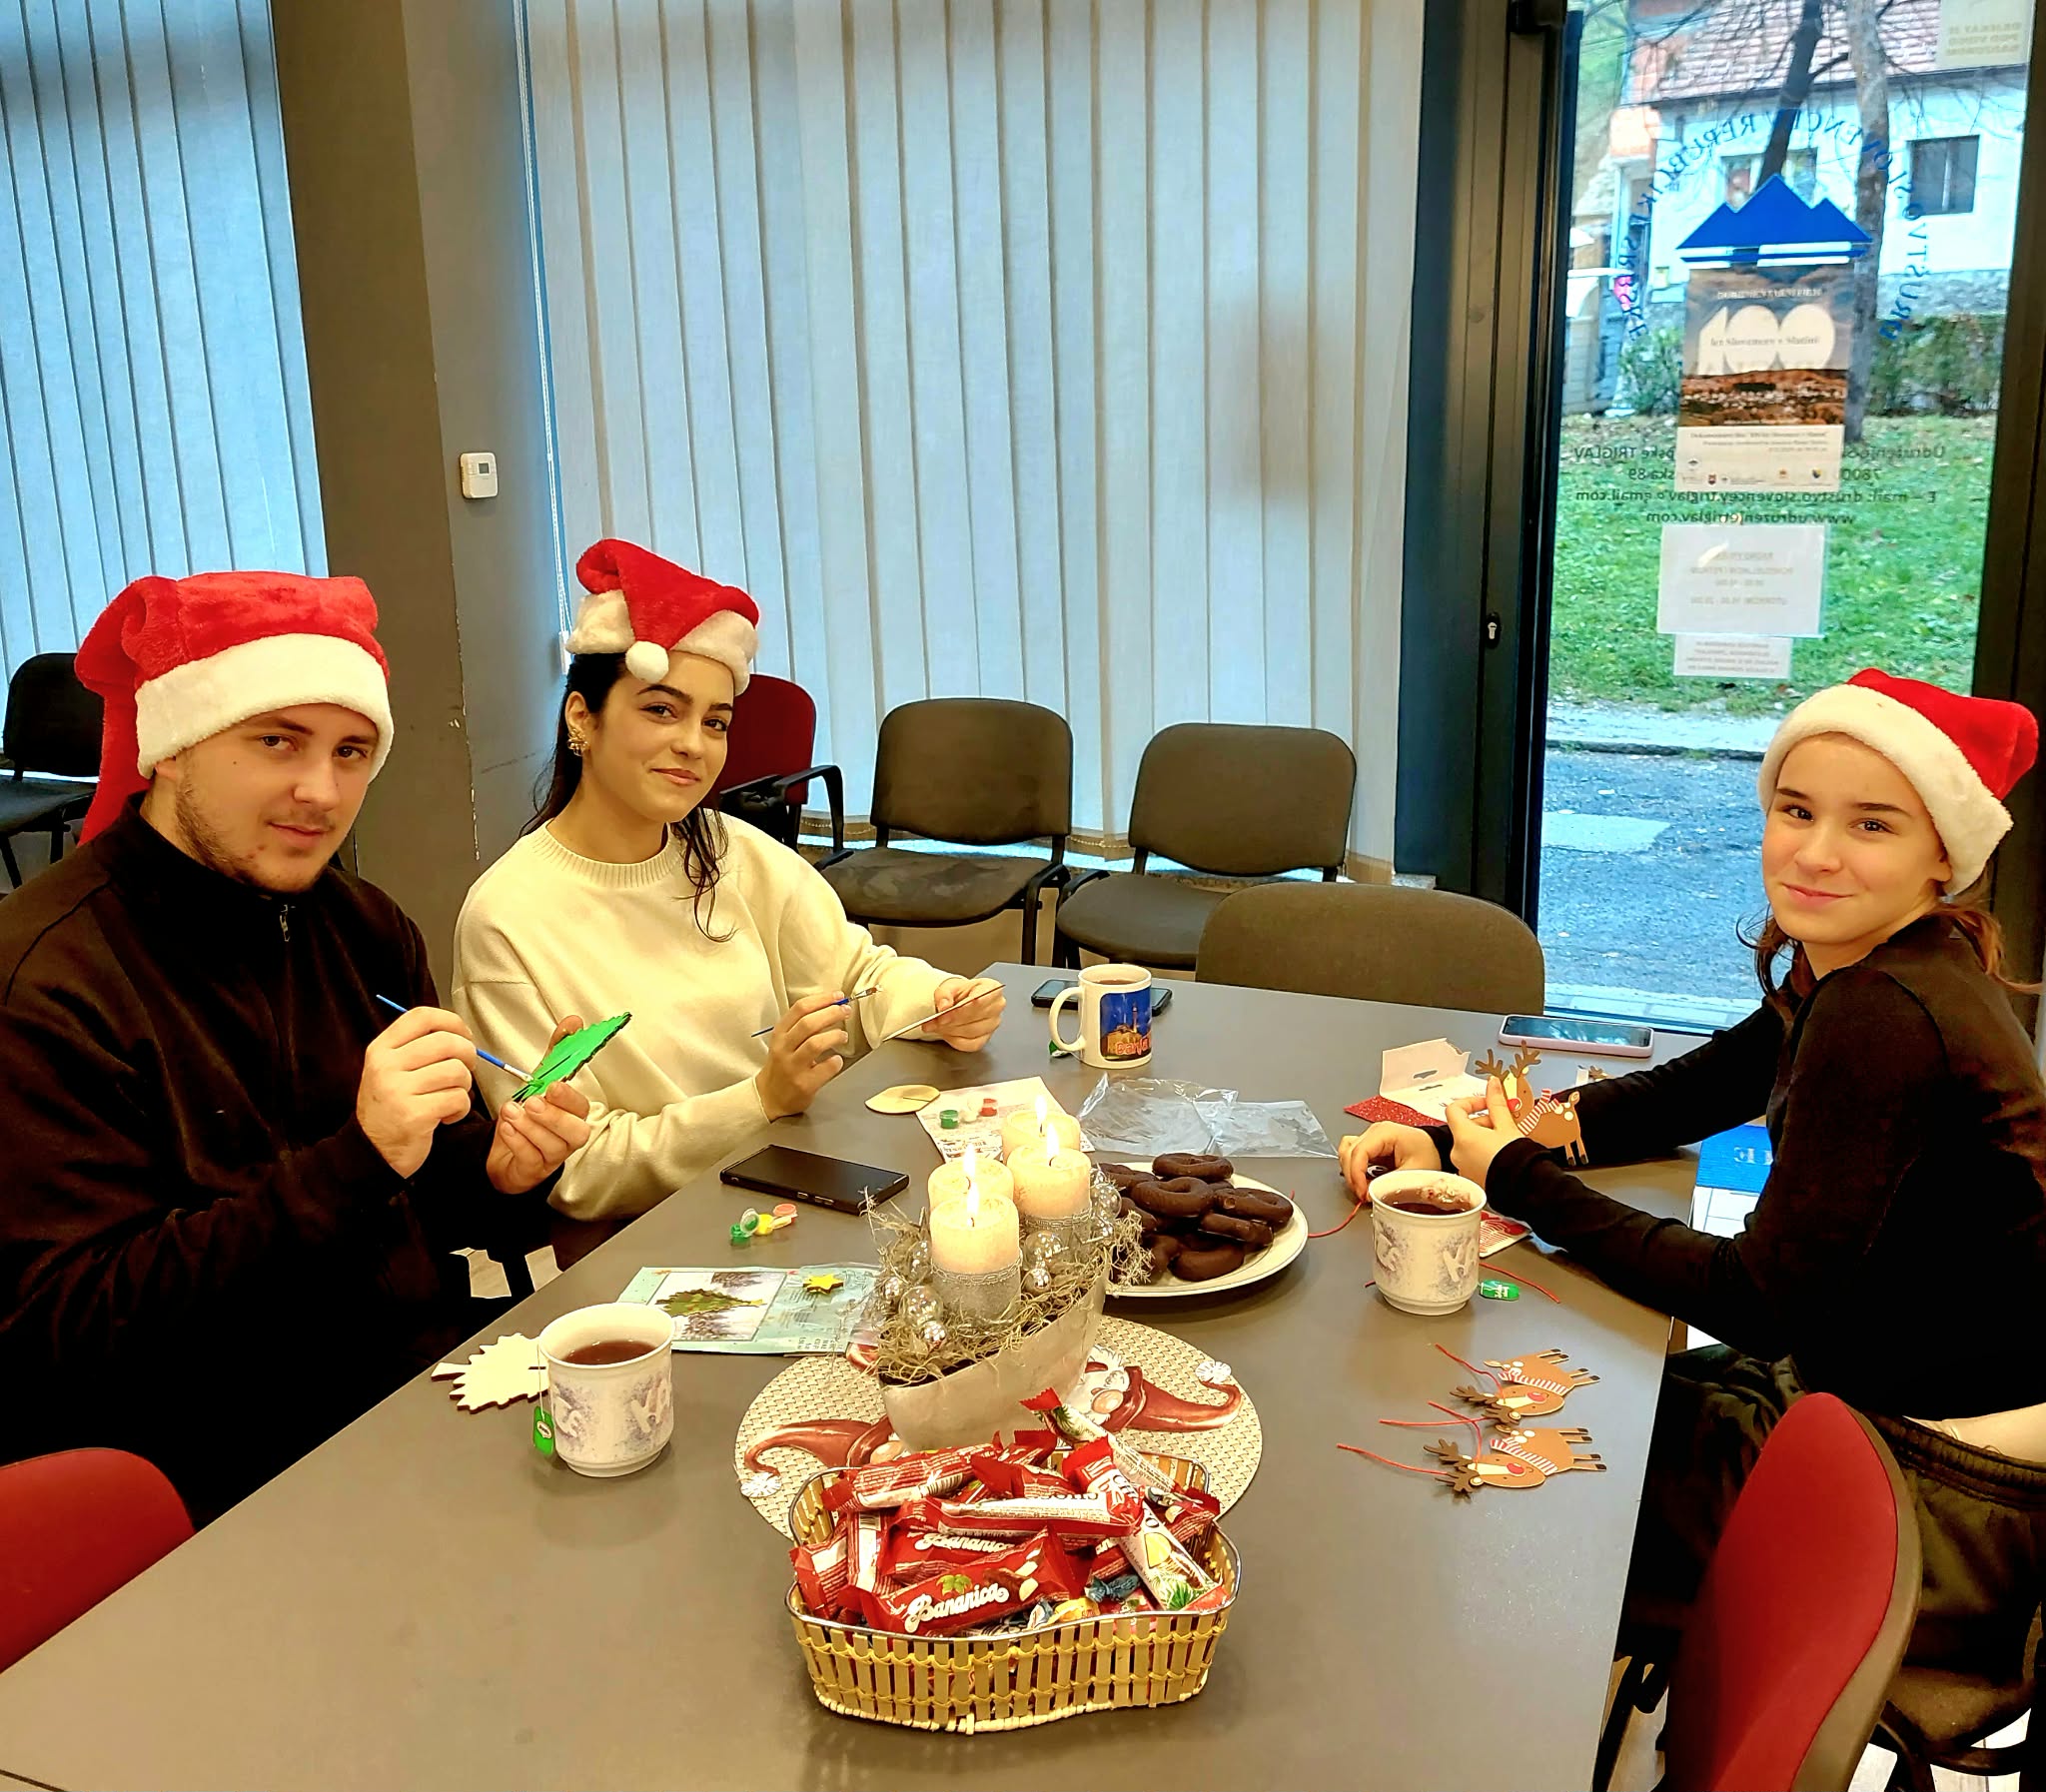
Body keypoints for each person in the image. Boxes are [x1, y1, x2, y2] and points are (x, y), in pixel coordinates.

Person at [1346, 669, 2046, 1671]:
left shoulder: (1884, 1016)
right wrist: (1467, 1145)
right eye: (1795, 810)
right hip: (1866, 1396)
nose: (1814, 852)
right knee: (1552, 1403)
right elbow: (1687, 1093)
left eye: (1870, 825)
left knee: (1488, 1493)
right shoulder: (1878, 961)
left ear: (1944, 854)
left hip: (1932, 1484)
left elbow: (1752, 1300)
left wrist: (1517, 1180)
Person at [0, 571, 590, 1523]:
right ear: (175, 744)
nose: (321, 792)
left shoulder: (364, 927)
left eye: (351, 751)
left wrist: (499, 1172)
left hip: (416, 1410)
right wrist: (358, 1160)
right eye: (276, 741)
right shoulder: (46, 981)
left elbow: (423, 1206)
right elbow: (67, 1329)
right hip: (210, 1493)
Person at [452, 539, 1004, 1222]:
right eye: (661, 710)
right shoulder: (507, 915)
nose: (694, 744)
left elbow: (856, 979)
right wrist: (761, 1099)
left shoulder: (731, 851)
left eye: (715, 722)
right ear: (581, 717)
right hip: (662, 1235)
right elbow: (579, 1170)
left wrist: (936, 1002)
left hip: (803, 1179)